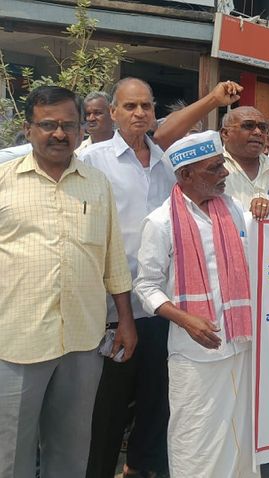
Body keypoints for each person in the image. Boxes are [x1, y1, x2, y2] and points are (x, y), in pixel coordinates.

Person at [82, 77, 243, 478]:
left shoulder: (167, 159)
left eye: (146, 107)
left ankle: (140, 468)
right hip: (114, 306)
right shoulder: (93, 160)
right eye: (130, 107)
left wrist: (210, 100)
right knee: (109, 407)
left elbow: (174, 138)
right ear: (113, 112)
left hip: (168, 309)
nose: (139, 114)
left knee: (158, 401)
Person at [0, 86, 134, 478]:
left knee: (72, 452)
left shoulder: (96, 183)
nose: (59, 134)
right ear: (27, 129)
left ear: (81, 130)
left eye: (68, 126)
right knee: (10, 455)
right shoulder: (4, 181)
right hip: (16, 341)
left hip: (82, 341)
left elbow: (113, 259)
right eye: (48, 125)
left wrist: (125, 321)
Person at [134, 130, 264, 478]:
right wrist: (186, 319)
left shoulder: (233, 208)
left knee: (242, 431)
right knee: (197, 436)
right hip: (195, 352)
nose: (224, 174)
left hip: (240, 343)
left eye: (222, 166)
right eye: (214, 169)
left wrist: (262, 210)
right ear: (185, 175)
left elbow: (257, 247)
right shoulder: (161, 223)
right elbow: (145, 287)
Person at [220, 107, 269, 215]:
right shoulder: (212, 167)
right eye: (248, 126)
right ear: (225, 133)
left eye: (262, 127)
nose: (258, 132)